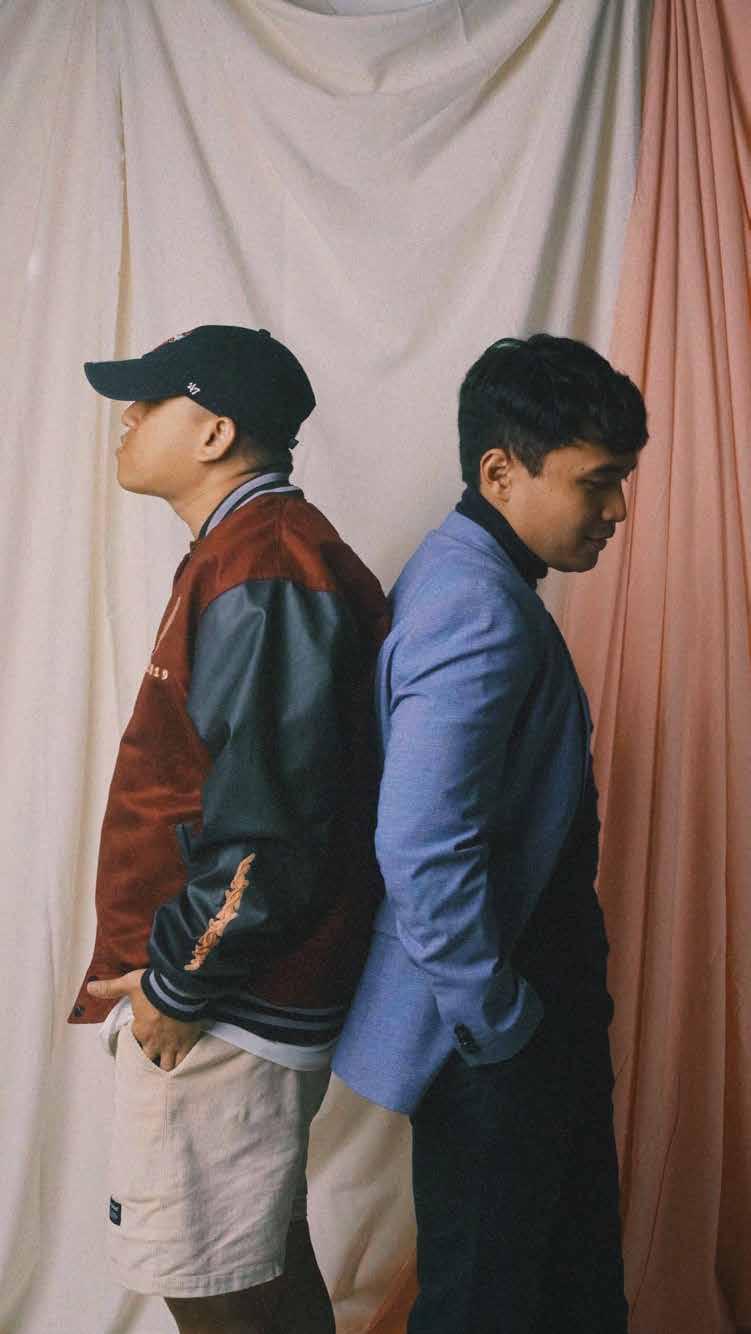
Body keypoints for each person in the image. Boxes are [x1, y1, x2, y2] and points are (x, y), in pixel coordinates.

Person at [68, 325, 388, 1334]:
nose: (127, 417)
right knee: (256, 1269)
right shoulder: (245, 552)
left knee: (215, 1287)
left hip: (227, 999)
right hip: (228, 987)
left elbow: (271, 821)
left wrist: (178, 982)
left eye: (150, 399)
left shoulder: (268, 567)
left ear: (214, 433)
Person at [333, 333, 648, 1334]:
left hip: (522, 1005)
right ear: (500, 472)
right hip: (503, 1021)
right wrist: (496, 1019)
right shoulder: (476, 604)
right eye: (597, 481)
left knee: (550, 1284)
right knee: (490, 1298)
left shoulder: (469, 576)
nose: (617, 510)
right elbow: (421, 841)